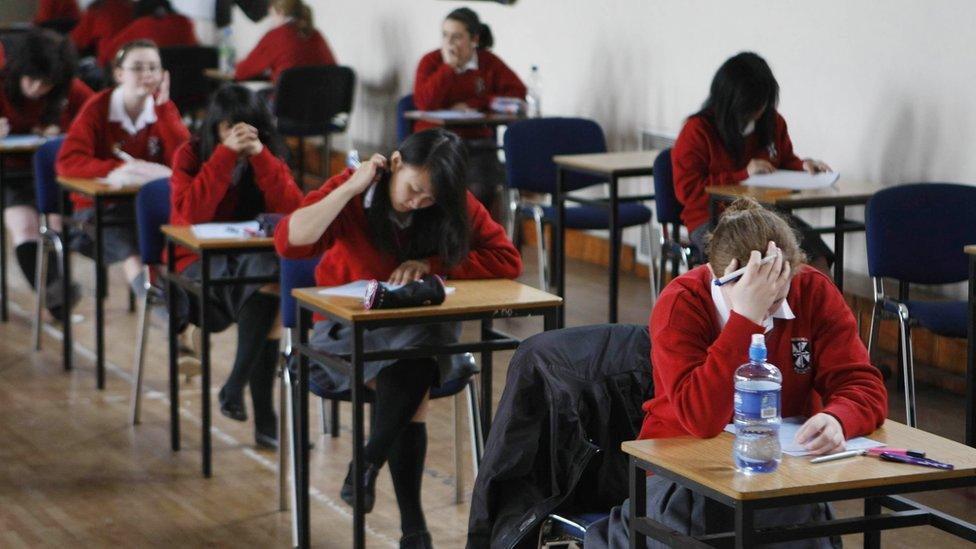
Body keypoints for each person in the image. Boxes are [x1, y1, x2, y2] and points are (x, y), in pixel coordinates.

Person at [585, 197, 888, 548]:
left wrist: (839, 418)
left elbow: (862, 383)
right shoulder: (680, 302)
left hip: (777, 470)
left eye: (779, 293)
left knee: (802, 523)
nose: (772, 306)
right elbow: (700, 419)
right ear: (717, 278)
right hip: (680, 474)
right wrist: (744, 321)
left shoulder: (814, 291)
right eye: (759, 293)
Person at [274, 128, 522, 549]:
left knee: (416, 355)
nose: (418, 203)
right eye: (413, 190)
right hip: (346, 330)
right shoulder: (357, 193)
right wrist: (349, 186)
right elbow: (289, 240)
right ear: (393, 163)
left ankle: (371, 466)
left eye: (430, 199)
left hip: (418, 335)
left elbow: (507, 259)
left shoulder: (447, 199)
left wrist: (433, 264)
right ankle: (410, 522)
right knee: (415, 365)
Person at [168, 84, 303, 447]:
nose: (236, 136)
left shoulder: (270, 152)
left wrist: (261, 157)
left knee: (272, 276)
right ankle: (261, 414)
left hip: (250, 259)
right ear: (215, 127)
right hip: (196, 264)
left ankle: (237, 387)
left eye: (245, 128)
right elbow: (190, 215)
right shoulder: (191, 154)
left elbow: (294, 212)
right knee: (269, 286)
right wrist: (224, 157)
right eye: (228, 128)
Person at [672, 51, 834, 273]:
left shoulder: (773, 122)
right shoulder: (698, 130)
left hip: (767, 214)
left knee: (814, 259)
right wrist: (742, 175)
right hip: (712, 218)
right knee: (752, 266)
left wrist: (803, 166)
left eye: (764, 102)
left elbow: (784, 160)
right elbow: (687, 190)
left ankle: (816, 308)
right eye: (753, 104)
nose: (759, 111)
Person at [56, 39, 190, 297]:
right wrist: (123, 168)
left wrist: (164, 111)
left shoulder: (164, 110)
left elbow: (185, 161)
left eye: (153, 68)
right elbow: (67, 162)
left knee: (176, 248)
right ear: (119, 74)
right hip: (100, 212)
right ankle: (171, 321)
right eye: (137, 68)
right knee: (135, 251)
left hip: (145, 207)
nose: (147, 75)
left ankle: (182, 315)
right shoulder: (98, 108)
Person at [0, 28, 93, 319]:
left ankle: (59, 290)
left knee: (58, 226)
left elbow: (97, 118)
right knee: (25, 228)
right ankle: (57, 298)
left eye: (46, 84)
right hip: (12, 174)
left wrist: (68, 133)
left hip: (57, 176)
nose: (38, 89)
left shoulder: (70, 88)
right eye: (32, 80)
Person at [413, 7, 526, 213]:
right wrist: (448, 68)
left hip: (476, 143)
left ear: (474, 39)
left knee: (481, 188)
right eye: (445, 35)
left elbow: (518, 93)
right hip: (435, 143)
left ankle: (472, 240)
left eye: (456, 37)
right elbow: (424, 103)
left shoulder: (488, 63)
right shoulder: (430, 61)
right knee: (436, 187)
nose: (449, 43)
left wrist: (477, 104)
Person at [233, 0, 336, 83]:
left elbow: (242, 72)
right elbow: (334, 71)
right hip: (323, 106)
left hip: (288, 105)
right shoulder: (316, 35)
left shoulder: (276, 36)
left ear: (279, 12)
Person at [97, 0, 197, 67]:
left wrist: (103, 38)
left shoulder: (143, 25)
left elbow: (105, 57)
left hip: (150, 89)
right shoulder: (185, 23)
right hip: (190, 89)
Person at [70, 0, 135, 58]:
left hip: (107, 62)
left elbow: (76, 41)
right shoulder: (133, 7)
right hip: (131, 56)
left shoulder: (98, 7)